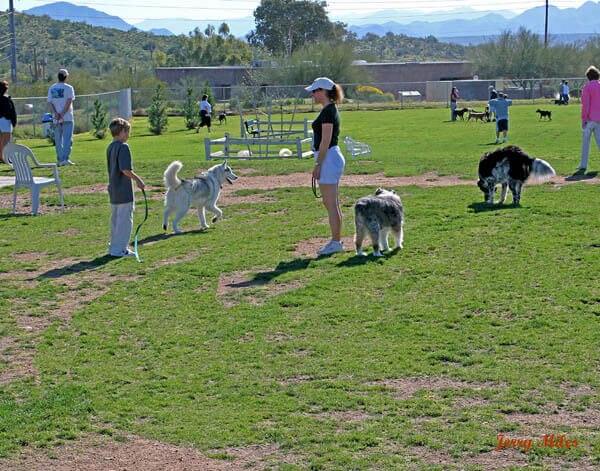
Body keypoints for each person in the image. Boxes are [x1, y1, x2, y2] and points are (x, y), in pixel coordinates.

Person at [305, 77, 346, 256]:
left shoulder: (329, 111)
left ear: (323, 91)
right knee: (330, 203)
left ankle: (336, 242)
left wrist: (318, 164)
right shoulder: (328, 110)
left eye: (315, 91)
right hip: (329, 157)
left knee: (331, 203)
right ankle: (336, 240)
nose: (313, 94)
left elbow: (325, 141)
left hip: (328, 157)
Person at [106, 118, 145, 257]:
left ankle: (113, 247)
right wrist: (138, 180)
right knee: (124, 221)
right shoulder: (123, 147)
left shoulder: (110, 147)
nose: (128, 135)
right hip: (123, 191)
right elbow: (125, 169)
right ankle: (120, 249)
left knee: (116, 220)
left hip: (114, 190)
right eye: (127, 132)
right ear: (122, 132)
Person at [47, 68, 76, 166]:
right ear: (66, 77)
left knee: (58, 139)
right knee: (68, 139)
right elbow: (69, 102)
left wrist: (56, 114)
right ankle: (65, 159)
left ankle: (60, 159)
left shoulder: (52, 88)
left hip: (56, 118)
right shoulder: (69, 88)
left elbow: (50, 102)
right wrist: (62, 114)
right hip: (67, 117)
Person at [576, 66, 600, 174]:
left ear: (588, 77)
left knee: (586, 143)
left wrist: (583, 119)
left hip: (590, 119)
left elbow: (586, 105)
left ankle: (583, 165)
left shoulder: (587, 87)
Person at [0, 80, 17, 164]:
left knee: (1, 140)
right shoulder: (7, 99)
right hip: (5, 121)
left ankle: (1, 156)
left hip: (0, 121)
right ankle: (6, 158)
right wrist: (14, 122)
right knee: (7, 141)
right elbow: (11, 112)